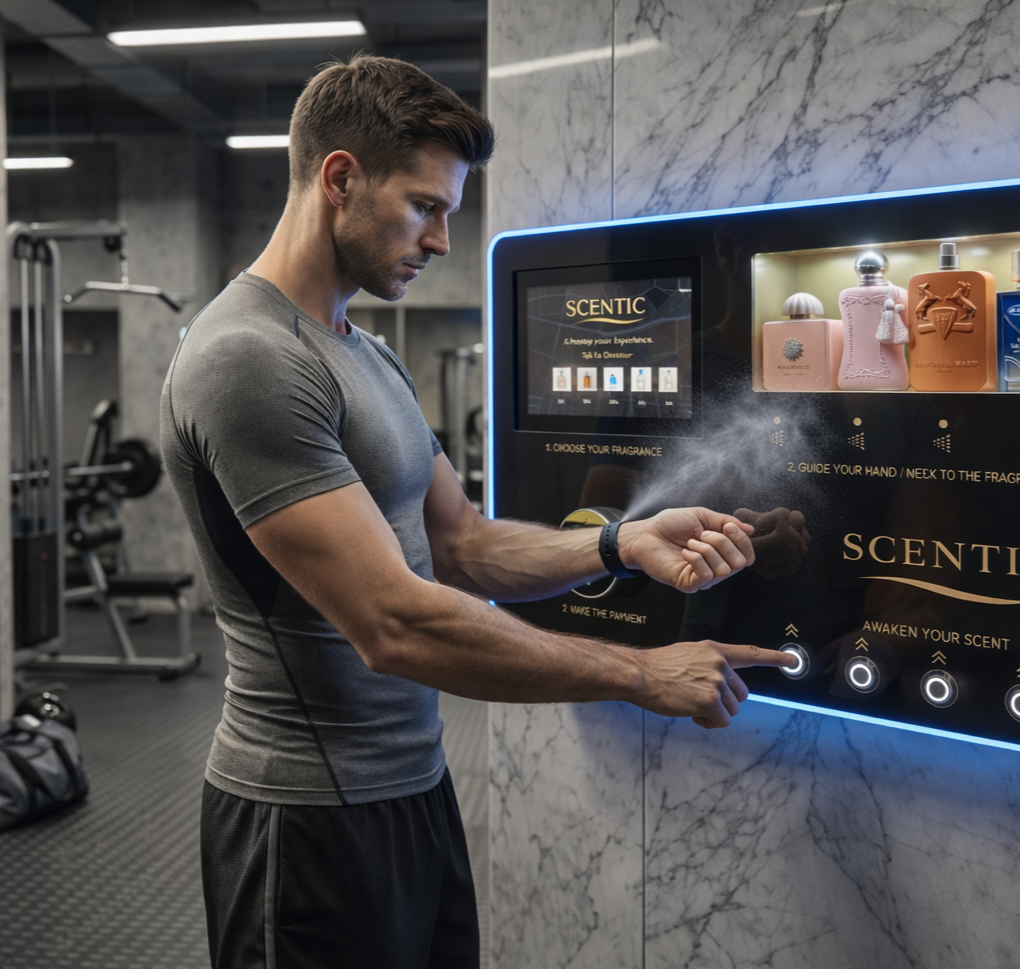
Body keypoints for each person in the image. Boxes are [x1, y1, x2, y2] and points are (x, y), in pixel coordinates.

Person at [158, 56, 787, 969]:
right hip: (306, 815)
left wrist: (620, 543)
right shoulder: (247, 357)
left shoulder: (366, 354)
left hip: (412, 789)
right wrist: (640, 672)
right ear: (340, 179)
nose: (444, 239)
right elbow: (393, 621)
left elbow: (462, 544)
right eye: (425, 205)